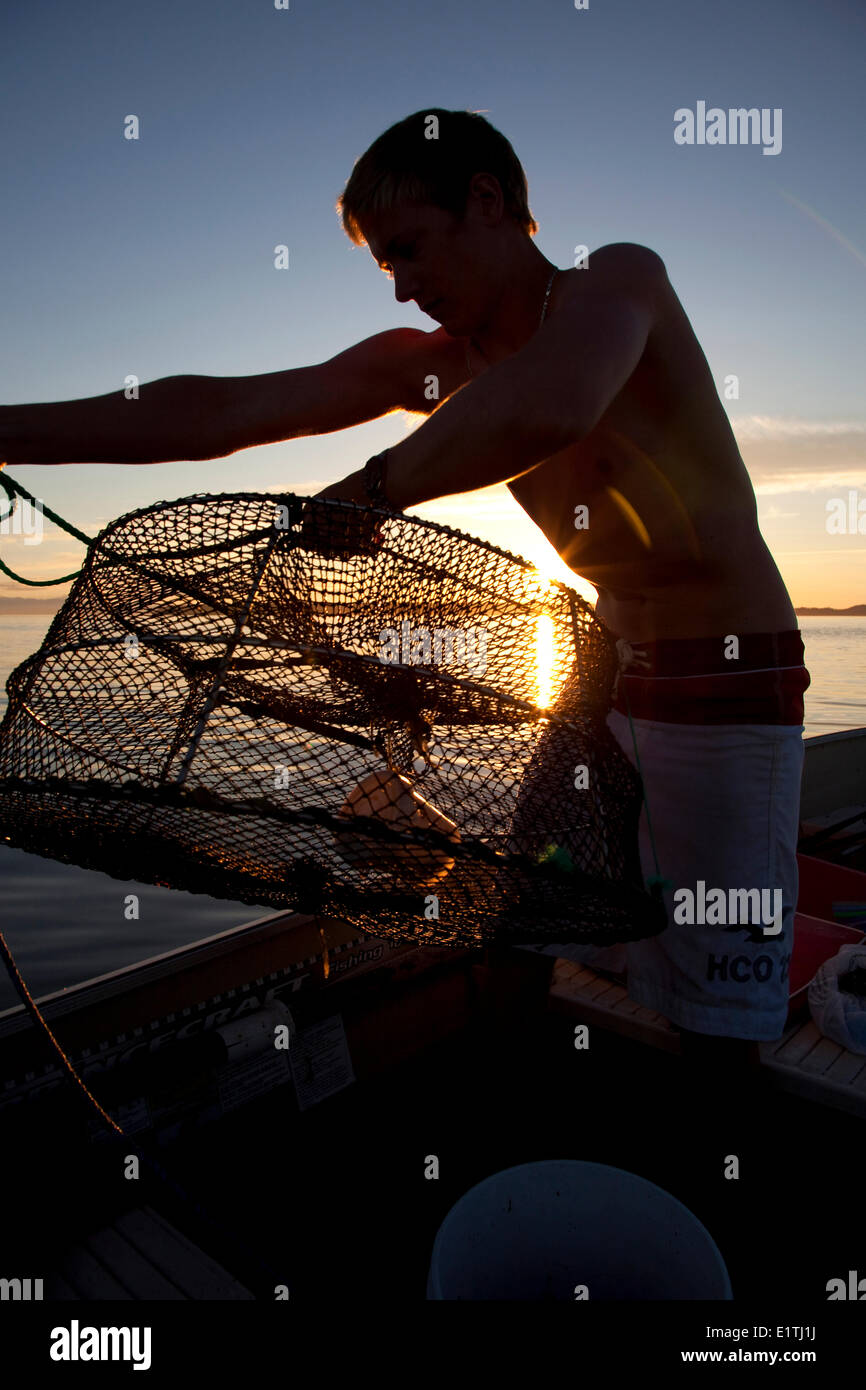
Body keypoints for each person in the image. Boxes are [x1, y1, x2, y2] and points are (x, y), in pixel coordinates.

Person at [0, 108, 809, 1064]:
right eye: (385, 265)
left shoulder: (615, 282)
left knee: (719, 1015)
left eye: (412, 250)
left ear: (487, 200)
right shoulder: (440, 369)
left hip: (725, 681)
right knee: (517, 927)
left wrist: (375, 490)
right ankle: (514, 1154)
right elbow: (220, 408)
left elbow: (554, 401)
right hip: (607, 684)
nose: (403, 287)